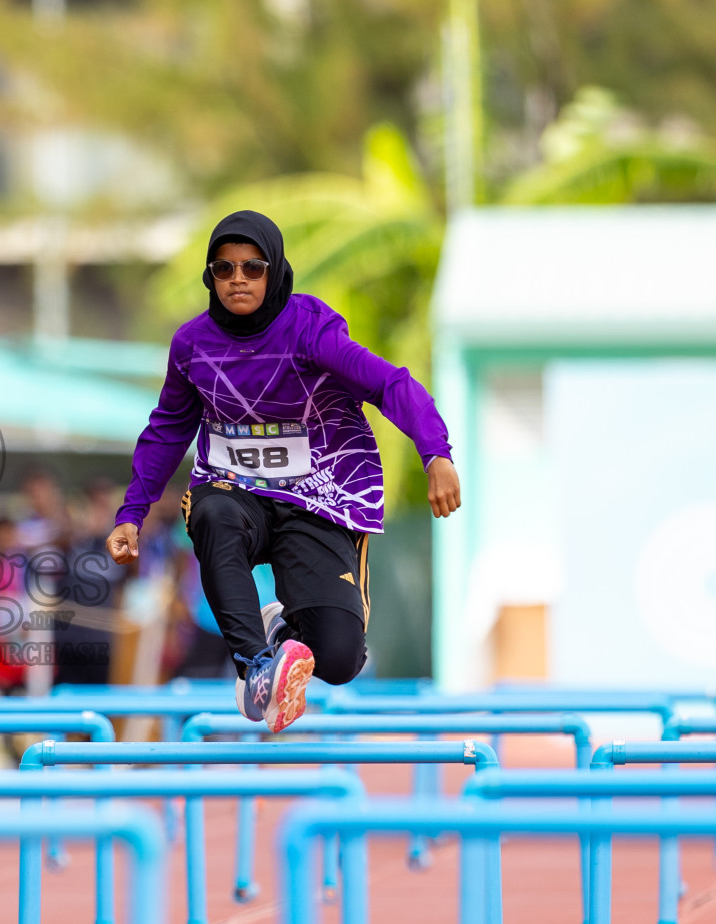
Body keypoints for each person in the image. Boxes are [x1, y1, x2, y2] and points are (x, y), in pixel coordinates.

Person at [106, 210, 460, 732]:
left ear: (274, 272)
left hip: (318, 495)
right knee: (212, 514)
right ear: (211, 278)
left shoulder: (312, 330)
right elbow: (167, 428)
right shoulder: (192, 346)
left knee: (339, 661)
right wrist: (132, 512)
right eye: (223, 270)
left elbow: (390, 384)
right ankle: (255, 667)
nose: (238, 280)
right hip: (234, 492)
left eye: (252, 267)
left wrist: (436, 452)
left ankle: (280, 630)